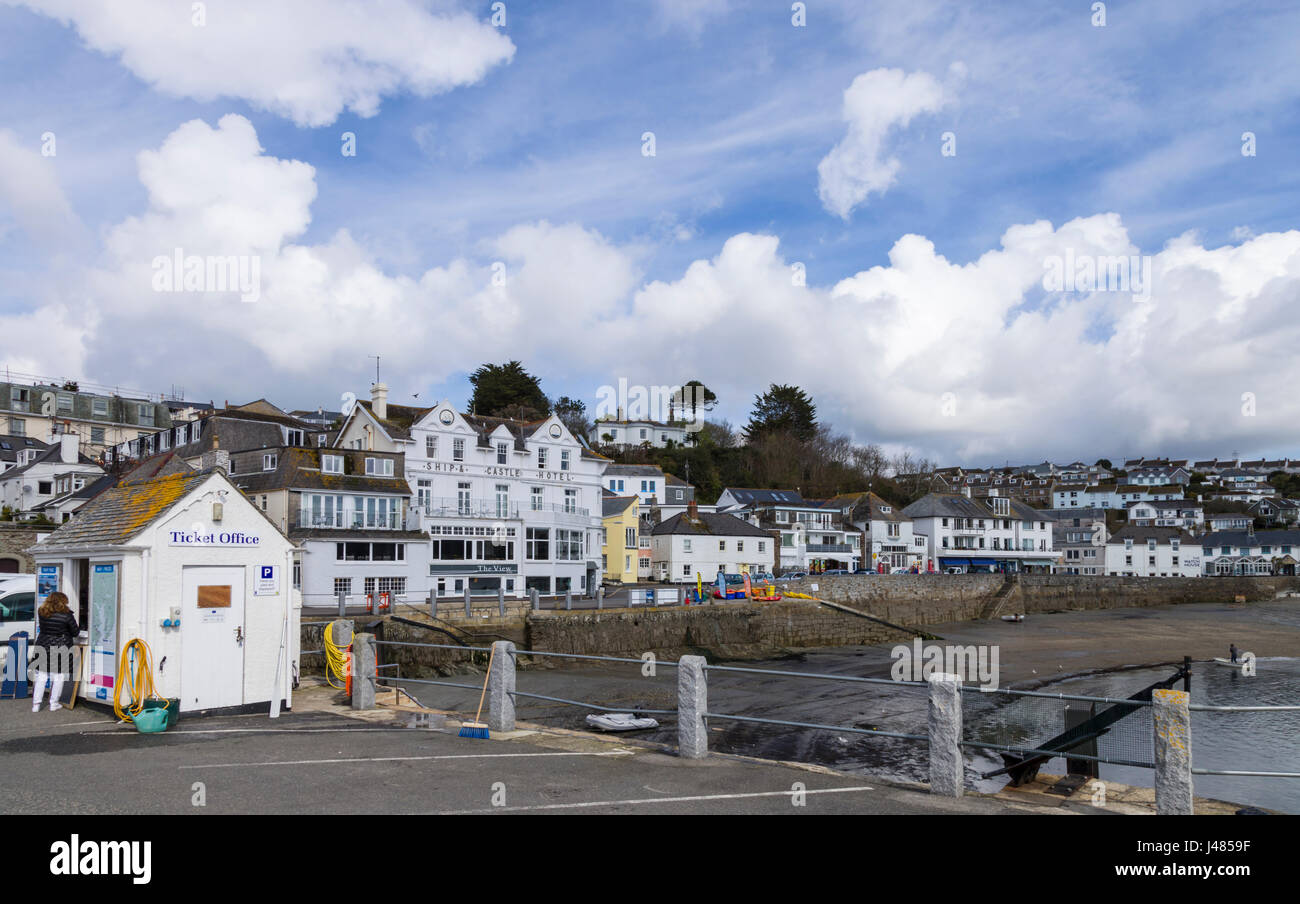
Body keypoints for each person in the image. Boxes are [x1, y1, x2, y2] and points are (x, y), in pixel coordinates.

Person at [32, 591, 79, 713]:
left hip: (43, 645)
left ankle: (36, 704)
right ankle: (54, 703)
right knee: (58, 676)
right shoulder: (67, 615)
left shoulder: (42, 612)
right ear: (63, 601)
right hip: (60, 647)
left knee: (41, 676)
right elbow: (75, 632)